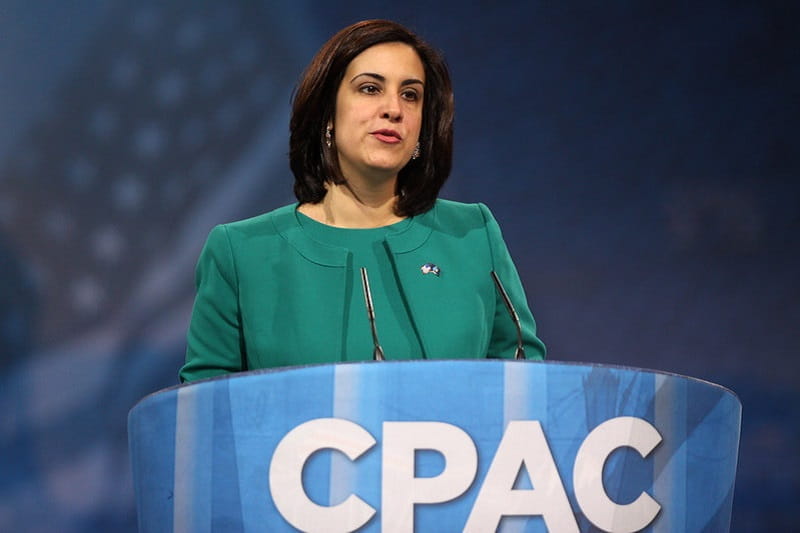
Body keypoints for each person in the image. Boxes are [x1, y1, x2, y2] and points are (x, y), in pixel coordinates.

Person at [180, 19, 545, 382]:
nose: (393, 109)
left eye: (410, 94)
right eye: (370, 89)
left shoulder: (473, 234)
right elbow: (202, 411)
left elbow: (526, 386)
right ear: (328, 115)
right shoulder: (240, 251)